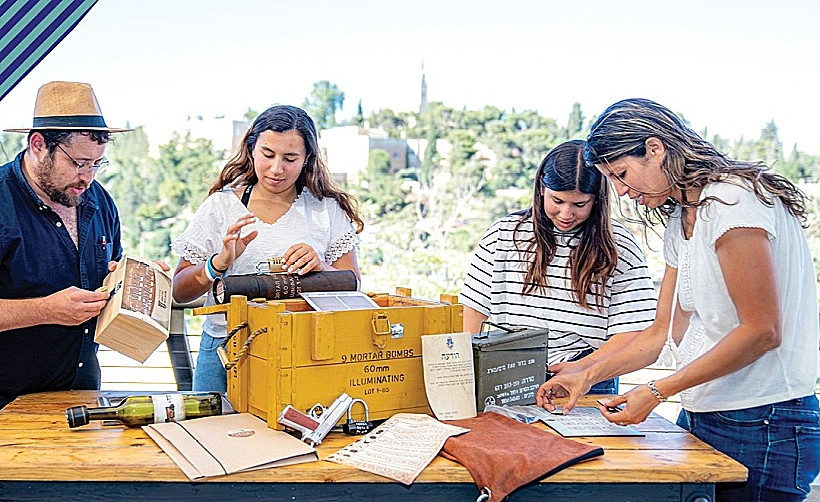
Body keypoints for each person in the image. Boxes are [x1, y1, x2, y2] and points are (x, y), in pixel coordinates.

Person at [537, 98, 820, 501]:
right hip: (706, 412)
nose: (621, 190)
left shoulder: (732, 201)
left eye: (621, 174)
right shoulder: (683, 217)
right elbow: (661, 333)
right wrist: (587, 374)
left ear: (655, 149)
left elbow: (762, 331)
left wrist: (656, 392)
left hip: (766, 420)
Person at [171, 105, 364, 392]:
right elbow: (179, 291)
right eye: (268, 155)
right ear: (251, 150)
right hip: (225, 352)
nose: (277, 169)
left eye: (290, 158)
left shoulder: (326, 210)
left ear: (307, 159)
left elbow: (354, 288)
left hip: (305, 352)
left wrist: (322, 267)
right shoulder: (219, 207)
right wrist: (219, 263)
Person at [459, 139, 657, 394]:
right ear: (541, 188)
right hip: (504, 370)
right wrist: (466, 369)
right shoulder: (503, 234)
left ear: (597, 200)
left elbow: (635, 331)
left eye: (579, 205)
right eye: (557, 201)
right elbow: (473, 311)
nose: (566, 214)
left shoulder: (619, 246)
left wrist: (583, 371)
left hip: (588, 376)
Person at [0, 81, 131, 409]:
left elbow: (110, 271)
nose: (87, 177)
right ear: (38, 144)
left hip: (83, 395)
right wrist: (44, 310)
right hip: (6, 403)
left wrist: (133, 279)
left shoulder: (99, 199)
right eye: (77, 163)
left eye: (96, 163)